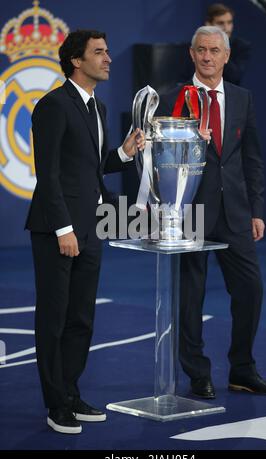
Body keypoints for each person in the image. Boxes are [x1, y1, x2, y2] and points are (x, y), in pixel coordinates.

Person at [25, 30, 145, 434]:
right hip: (58, 230)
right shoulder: (52, 106)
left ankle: (71, 393)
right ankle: (55, 403)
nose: (108, 59)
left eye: (108, 51)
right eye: (99, 52)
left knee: (82, 318)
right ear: (76, 61)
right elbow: (50, 174)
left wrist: (125, 153)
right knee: (54, 318)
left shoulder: (100, 109)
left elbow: (90, 169)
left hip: (92, 228)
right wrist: (63, 228)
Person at [157, 26, 266, 399]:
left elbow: (252, 158)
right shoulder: (174, 99)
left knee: (251, 290)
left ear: (227, 56)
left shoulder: (243, 98)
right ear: (191, 54)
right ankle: (197, 373)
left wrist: (256, 210)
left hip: (237, 213)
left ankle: (242, 369)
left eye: (214, 50)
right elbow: (160, 161)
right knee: (190, 297)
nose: (207, 56)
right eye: (200, 50)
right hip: (191, 212)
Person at [205, 3, 251, 85]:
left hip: (228, 95)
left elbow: (234, 77)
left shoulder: (240, 46)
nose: (226, 28)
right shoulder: (197, 46)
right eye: (220, 23)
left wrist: (219, 46)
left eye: (229, 22)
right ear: (209, 25)